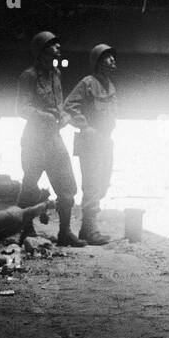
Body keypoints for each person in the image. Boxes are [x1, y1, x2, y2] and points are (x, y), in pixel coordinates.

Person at [16, 30, 84, 247]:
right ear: (41, 51)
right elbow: (22, 108)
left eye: (57, 45)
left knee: (67, 187)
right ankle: (26, 230)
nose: (58, 48)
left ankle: (65, 232)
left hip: (54, 138)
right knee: (29, 186)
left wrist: (64, 116)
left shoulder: (56, 74)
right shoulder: (28, 76)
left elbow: (60, 105)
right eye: (53, 45)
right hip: (35, 139)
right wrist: (43, 116)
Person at [64, 44, 118, 246]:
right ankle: (88, 229)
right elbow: (69, 106)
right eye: (107, 57)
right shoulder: (88, 83)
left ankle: (88, 226)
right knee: (92, 184)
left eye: (113, 56)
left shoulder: (110, 85)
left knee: (103, 183)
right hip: (90, 141)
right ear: (97, 62)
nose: (112, 60)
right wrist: (85, 127)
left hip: (105, 140)